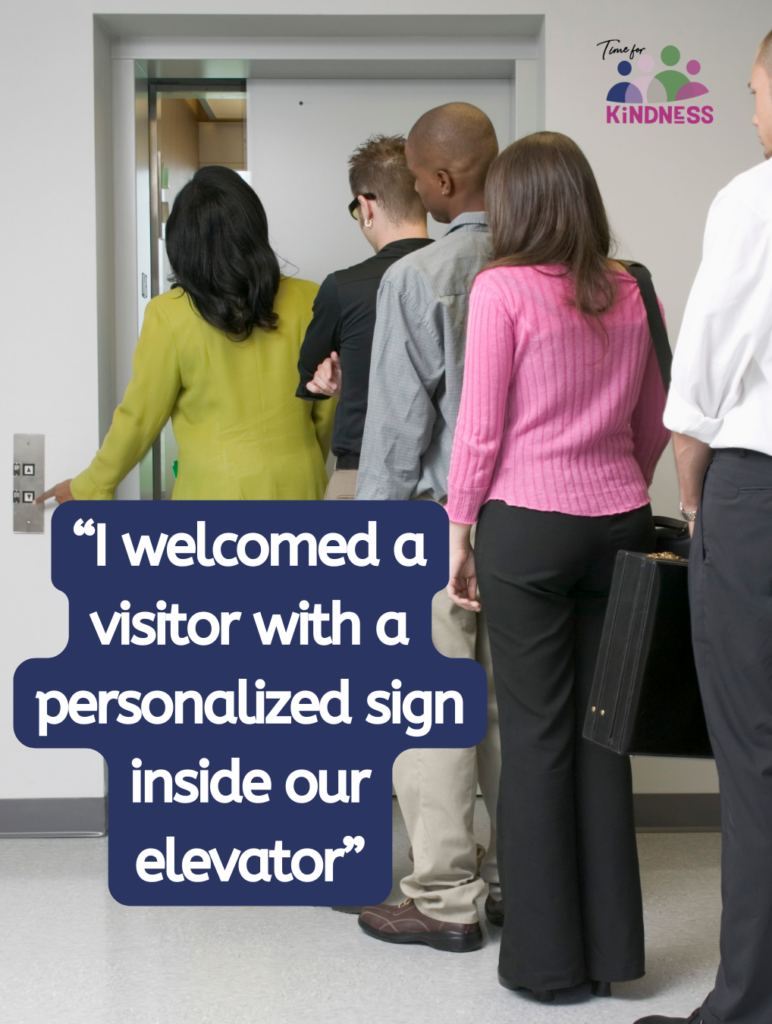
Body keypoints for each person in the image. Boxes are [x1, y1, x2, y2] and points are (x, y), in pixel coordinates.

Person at [446, 132, 670, 999]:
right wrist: (620, 479)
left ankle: (547, 967)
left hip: (526, 531)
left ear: (513, 206)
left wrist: (460, 530)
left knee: (536, 742)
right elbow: (656, 416)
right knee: (600, 737)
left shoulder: (500, 287)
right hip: (616, 523)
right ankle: (615, 961)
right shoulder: (629, 286)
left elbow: (480, 428)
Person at [633, 32, 772, 1024]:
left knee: (755, 752)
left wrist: (695, 506)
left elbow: (698, 399)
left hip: (756, 495)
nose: (753, 112)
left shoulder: (753, 199)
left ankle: (750, 1001)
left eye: (758, 90)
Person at [355, 103, 503, 953]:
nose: (412, 188)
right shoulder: (548, 265)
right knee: (516, 717)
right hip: (524, 524)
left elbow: (398, 436)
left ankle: (445, 897)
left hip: (431, 522)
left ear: (443, 181)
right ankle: (523, 883)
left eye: (416, 175)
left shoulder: (418, 277)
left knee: (434, 710)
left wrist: (370, 544)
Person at [37, 166, 335, 505]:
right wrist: (303, 456)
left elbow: (140, 417)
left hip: (213, 496)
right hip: (301, 487)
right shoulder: (312, 298)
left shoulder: (170, 314)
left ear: (183, 243)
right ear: (254, 227)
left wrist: (90, 486)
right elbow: (326, 410)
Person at [295, 135, 432, 499]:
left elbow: (311, 377)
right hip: (450, 485)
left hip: (360, 479)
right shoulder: (470, 277)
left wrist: (343, 381)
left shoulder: (343, 287)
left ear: (366, 207)